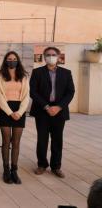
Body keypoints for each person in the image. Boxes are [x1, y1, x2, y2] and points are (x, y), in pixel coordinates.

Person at [30, 47, 75, 178]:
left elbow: (70, 92)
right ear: (44, 57)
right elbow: (33, 91)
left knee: (57, 139)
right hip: (42, 110)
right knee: (42, 139)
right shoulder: (37, 72)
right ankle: (42, 164)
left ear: (58, 56)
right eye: (48, 55)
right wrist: (46, 106)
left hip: (59, 111)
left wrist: (59, 107)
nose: (51, 56)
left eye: (53, 54)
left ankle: (56, 166)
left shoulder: (66, 73)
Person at [0, 51, 30, 184]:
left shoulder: (24, 76)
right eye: (9, 59)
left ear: (18, 60)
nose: (12, 61)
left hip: (19, 109)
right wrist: (10, 112)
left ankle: (14, 170)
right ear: (5, 60)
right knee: (6, 141)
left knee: (16, 142)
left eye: (14, 59)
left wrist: (20, 112)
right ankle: (6, 170)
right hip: (5, 110)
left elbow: (26, 96)